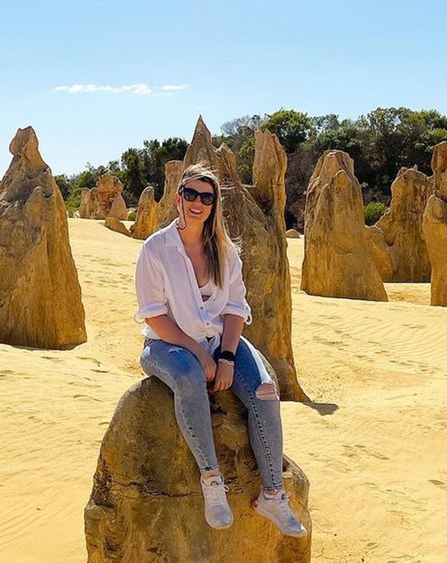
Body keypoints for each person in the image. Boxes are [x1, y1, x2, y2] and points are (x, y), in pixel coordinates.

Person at [134, 162, 307, 536]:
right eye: (191, 194)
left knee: (265, 390)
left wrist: (226, 356)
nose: (197, 203)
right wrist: (198, 353)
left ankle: (273, 495)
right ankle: (212, 480)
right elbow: (154, 315)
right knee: (188, 377)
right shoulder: (156, 249)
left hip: (219, 341)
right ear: (178, 198)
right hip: (167, 345)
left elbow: (234, 309)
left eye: (206, 197)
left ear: (214, 205)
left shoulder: (226, 252)